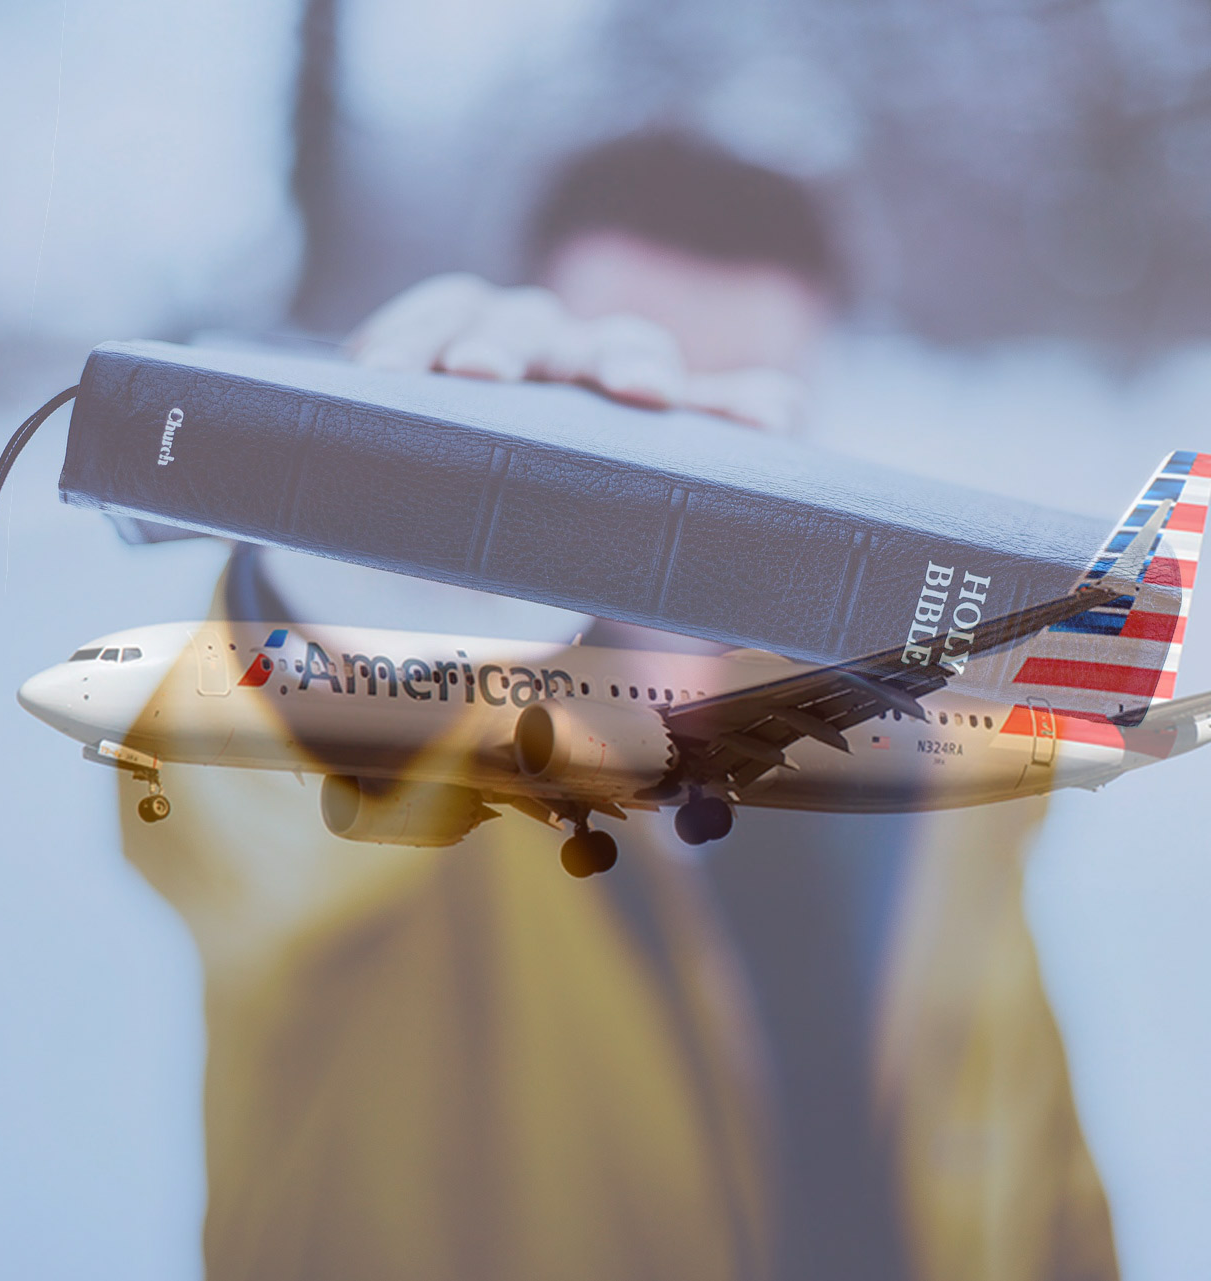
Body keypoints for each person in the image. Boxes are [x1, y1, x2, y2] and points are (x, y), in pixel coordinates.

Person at [120, 132, 1117, 1281]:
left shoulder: (932, 787)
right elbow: (251, 822)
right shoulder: (432, 777)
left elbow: (1044, 1190)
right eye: (638, 410)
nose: (694, 480)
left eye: (748, 415)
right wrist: (360, 640)